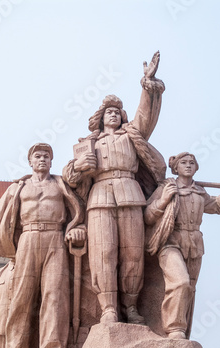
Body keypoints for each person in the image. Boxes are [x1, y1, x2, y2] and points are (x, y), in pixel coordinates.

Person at [63, 52, 166, 324]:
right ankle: (108, 307)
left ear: (122, 116)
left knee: (132, 253)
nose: (112, 115)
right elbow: (69, 177)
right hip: (99, 198)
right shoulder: (89, 143)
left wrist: (147, 82)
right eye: (107, 111)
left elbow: (145, 116)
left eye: (117, 112)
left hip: (130, 194)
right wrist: (79, 166)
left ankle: (130, 306)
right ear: (100, 117)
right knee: (103, 253)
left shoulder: (132, 135)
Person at [0, 143, 85, 348]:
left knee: (54, 294)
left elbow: (78, 210)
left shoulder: (61, 184)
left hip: (55, 238)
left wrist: (76, 229)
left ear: (51, 161)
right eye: (38, 156)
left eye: (47, 156)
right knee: (22, 297)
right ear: (30, 162)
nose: (42, 160)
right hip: (27, 239)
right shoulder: (18, 188)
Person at [144, 152, 220, 339]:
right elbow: (147, 216)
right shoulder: (167, 188)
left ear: (196, 168)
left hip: (195, 244)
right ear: (176, 168)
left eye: (192, 163)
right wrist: (164, 200)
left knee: (189, 288)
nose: (188, 165)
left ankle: (183, 332)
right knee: (180, 282)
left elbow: (217, 206)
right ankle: (174, 328)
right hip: (170, 242)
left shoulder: (199, 191)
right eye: (184, 162)